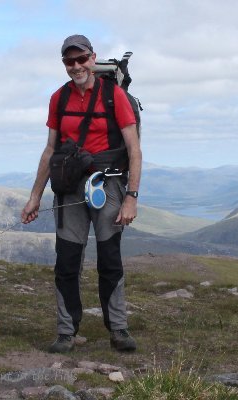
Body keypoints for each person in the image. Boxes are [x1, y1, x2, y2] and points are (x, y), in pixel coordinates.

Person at [21, 34, 142, 353]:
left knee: (110, 260)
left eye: (81, 59)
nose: (76, 66)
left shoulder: (114, 96)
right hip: (69, 189)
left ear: (92, 58)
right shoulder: (58, 99)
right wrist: (35, 195)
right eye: (69, 61)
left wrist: (132, 196)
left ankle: (118, 329)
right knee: (67, 261)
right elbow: (50, 150)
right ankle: (66, 332)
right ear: (64, 64)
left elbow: (134, 150)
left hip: (109, 185)